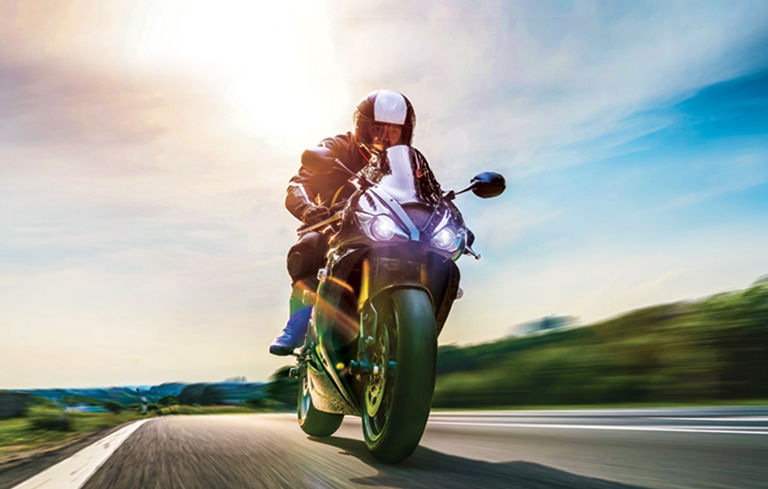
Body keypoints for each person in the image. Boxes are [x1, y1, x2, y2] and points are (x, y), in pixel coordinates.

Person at [269, 89, 419, 355]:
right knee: (310, 246)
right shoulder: (337, 147)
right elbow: (298, 184)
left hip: (386, 228)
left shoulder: (408, 162)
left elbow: (426, 192)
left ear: (404, 132)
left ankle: (414, 318)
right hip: (336, 224)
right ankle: (298, 323)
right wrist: (309, 210)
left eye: (393, 130)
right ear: (362, 127)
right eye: (377, 128)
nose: (385, 136)